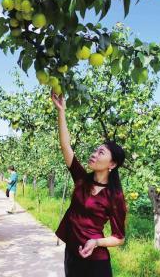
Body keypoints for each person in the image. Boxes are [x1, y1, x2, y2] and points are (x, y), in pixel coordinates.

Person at [52, 92, 127, 277]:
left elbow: (119, 238)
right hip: (72, 253)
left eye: (101, 152)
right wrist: (61, 111)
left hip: (96, 261)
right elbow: (65, 146)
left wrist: (96, 242)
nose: (94, 154)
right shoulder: (81, 179)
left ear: (112, 164)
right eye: (95, 150)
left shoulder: (114, 196)